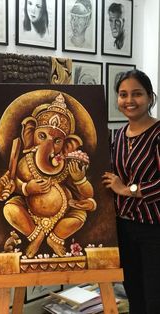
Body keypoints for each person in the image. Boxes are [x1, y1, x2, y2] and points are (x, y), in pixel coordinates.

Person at [102, 69, 160, 314]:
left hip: (153, 230)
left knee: (154, 298)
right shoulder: (118, 137)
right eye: (123, 94)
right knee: (133, 294)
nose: (129, 100)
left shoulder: (157, 134)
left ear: (149, 97)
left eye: (137, 94)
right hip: (123, 229)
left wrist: (129, 190)